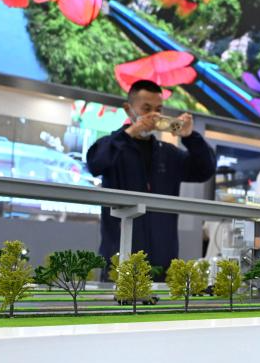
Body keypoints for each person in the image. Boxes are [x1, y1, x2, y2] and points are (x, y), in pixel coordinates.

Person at [86, 79, 216, 270]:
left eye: (158, 109)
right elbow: (95, 164)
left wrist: (191, 137)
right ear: (128, 109)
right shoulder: (113, 147)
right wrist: (131, 132)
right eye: (146, 109)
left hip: (163, 261)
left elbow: (204, 170)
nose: (153, 115)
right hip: (120, 259)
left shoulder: (168, 153)